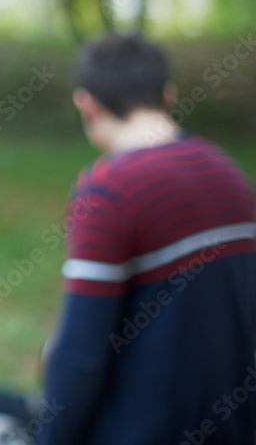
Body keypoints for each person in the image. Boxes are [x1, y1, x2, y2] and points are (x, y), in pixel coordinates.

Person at [39, 32, 256, 444]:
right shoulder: (232, 176)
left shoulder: (109, 189)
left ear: (87, 103)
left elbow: (82, 353)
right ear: (168, 95)